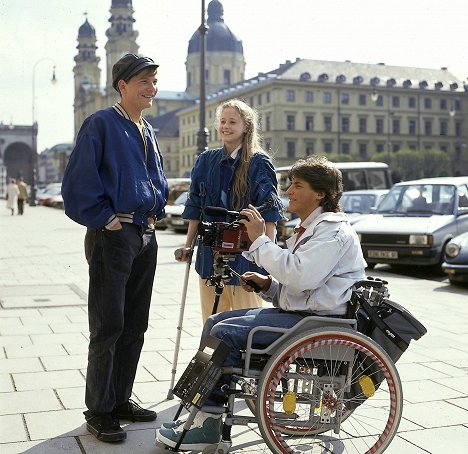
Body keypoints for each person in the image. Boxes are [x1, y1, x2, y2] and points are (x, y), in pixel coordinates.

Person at [157, 155, 367, 450]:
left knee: (224, 334)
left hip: (316, 323)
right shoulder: (313, 227)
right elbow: (301, 282)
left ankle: (209, 423)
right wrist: (268, 285)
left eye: (297, 185)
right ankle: (204, 413)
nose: (288, 191)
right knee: (215, 321)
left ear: (320, 193)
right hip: (304, 314)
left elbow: (301, 276)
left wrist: (258, 240)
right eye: (290, 184)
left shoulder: (333, 231)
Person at [61, 53, 169, 443]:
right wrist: (105, 219)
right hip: (115, 235)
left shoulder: (148, 130)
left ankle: (120, 398)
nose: (151, 88)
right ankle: (100, 410)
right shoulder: (101, 123)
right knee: (108, 326)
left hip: (145, 235)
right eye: (143, 81)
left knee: (135, 324)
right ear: (122, 85)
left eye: (154, 81)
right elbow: (78, 181)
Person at [176, 99, 283, 322]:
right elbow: (195, 206)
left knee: (244, 322)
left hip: (246, 256)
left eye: (232, 122)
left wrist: (270, 257)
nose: (225, 126)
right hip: (209, 254)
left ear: (246, 127)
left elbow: (270, 213)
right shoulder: (206, 160)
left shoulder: (259, 163)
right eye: (223, 121)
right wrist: (188, 245)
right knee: (212, 321)